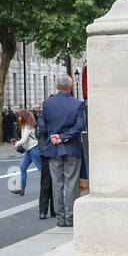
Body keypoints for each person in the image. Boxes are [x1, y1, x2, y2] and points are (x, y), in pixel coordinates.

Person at [40, 74, 87, 228]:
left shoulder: (47, 104)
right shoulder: (78, 104)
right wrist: (64, 137)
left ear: (56, 87)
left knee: (57, 184)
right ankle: (71, 217)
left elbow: (42, 125)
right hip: (72, 147)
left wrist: (55, 136)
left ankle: (60, 218)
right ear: (70, 87)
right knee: (71, 184)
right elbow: (80, 126)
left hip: (53, 148)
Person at [13, 109, 40, 196]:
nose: (18, 118)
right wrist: (17, 142)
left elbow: (24, 140)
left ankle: (49, 188)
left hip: (34, 149)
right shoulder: (24, 126)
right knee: (22, 167)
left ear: (24, 116)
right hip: (29, 150)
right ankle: (22, 189)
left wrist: (16, 144)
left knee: (42, 170)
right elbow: (24, 140)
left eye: (20, 116)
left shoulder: (29, 126)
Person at [36, 110, 56, 221]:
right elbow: (41, 131)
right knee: (46, 182)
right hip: (46, 151)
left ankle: (54, 209)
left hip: (55, 149)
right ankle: (43, 211)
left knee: (56, 182)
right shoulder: (43, 115)